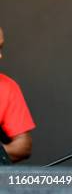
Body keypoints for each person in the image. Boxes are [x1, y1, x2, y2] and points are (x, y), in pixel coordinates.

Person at [0, 26, 35, 163]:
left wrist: (1, 152)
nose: (0, 55)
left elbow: (24, 145)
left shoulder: (7, 87)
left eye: (1, 47)